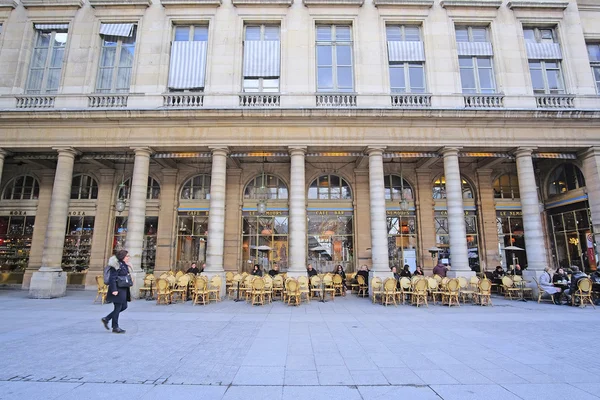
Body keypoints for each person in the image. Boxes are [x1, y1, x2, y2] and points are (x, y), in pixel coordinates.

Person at [101, 250, 132, 334]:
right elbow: (112, 278)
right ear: (123, 257)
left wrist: (128, 266)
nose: (128, 257)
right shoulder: (116, 265)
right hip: (117, 289)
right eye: (127, 256)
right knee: (117, 308)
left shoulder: (124, 265)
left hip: (123, 288)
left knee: (124, 306)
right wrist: (114, 290)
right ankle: (115, 327)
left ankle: (107, 318)